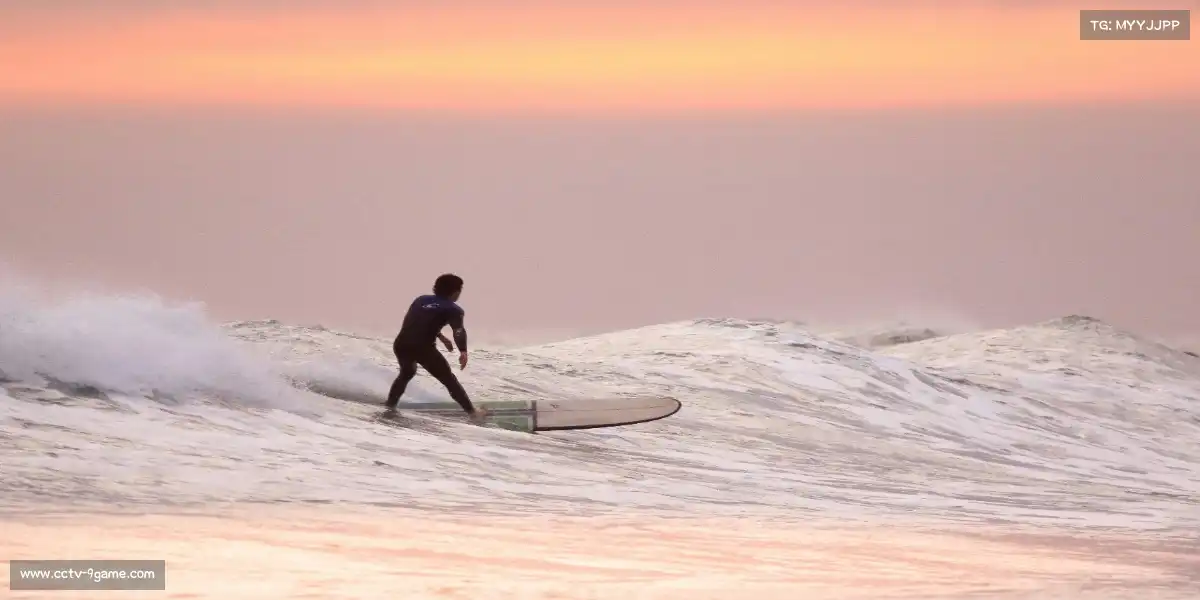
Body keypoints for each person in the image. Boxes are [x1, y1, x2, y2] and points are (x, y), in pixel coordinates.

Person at [386, 273, 487, 422]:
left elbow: (418, 322)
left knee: (407, 372)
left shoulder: (420, 300)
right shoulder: (454, 309)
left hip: (401, 344)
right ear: (456, 292)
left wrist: (441, 337)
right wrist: (463, 351)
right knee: (449, 380)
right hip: (423, 348)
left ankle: (390, 406)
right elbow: (458, 330)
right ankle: (473, 413)